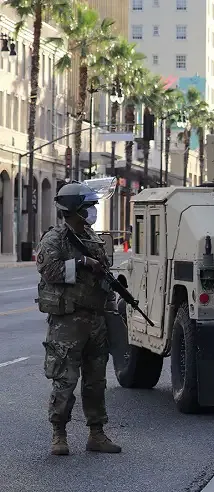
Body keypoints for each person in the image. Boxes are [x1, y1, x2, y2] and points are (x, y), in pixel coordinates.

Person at [36, 181, 121, 456]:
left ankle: (96, 433)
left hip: (96, 320)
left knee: (96, 381)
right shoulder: (55, 239)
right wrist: (83, 263)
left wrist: (111, 309)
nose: (93, 212)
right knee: (65, 381)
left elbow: (104, 277)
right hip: (68, 323)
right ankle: (59, 434)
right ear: (74, 210)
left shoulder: (92, 238)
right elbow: (50, 271)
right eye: (89, 207)